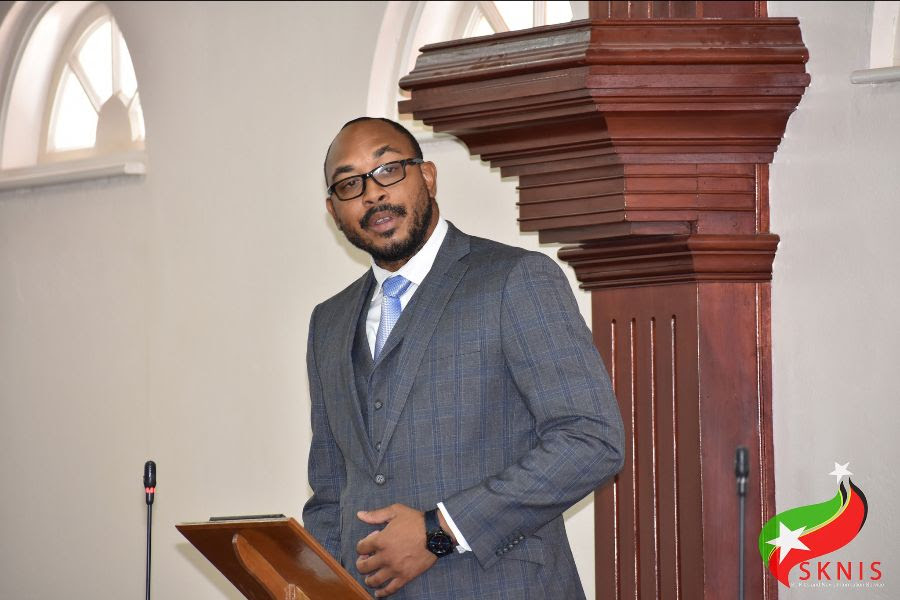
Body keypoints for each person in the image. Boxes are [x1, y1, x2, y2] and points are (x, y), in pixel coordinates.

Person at [302, 116, 625, 599]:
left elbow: (591, 440)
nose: (372, 194)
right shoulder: (328, 322)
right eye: (350, 184)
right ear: (333, 209)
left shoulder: (515, 279)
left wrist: (441, 531)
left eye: (388, 169)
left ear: (428, 176)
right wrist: (323, 583)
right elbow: (331, 489)